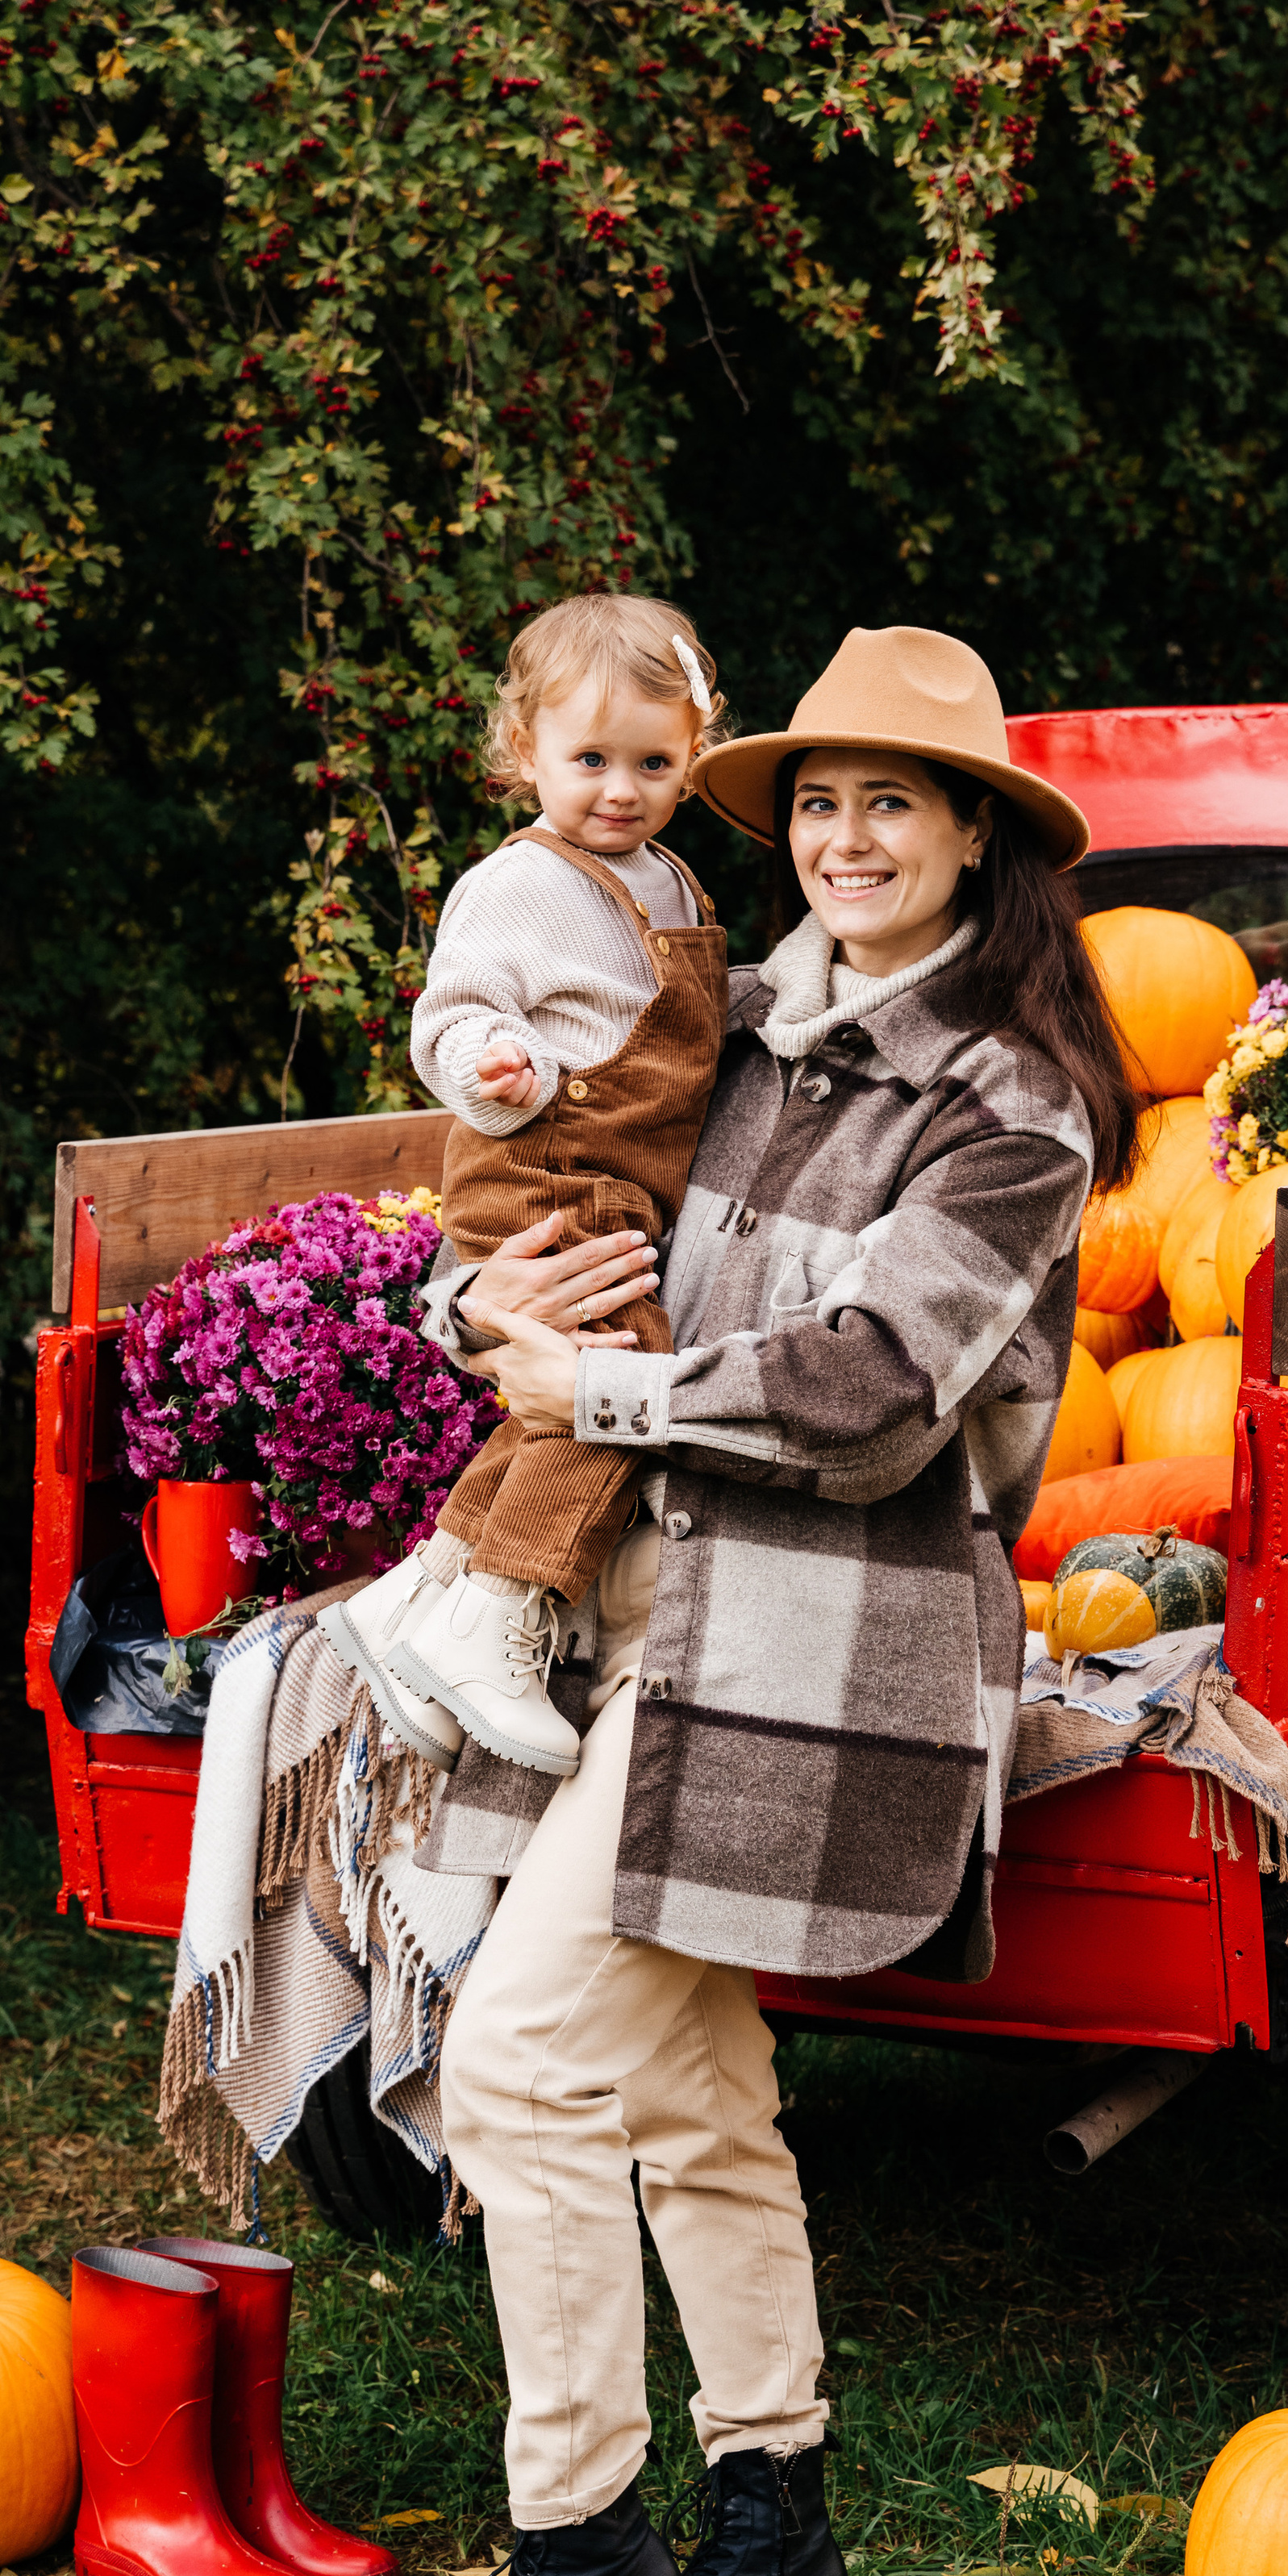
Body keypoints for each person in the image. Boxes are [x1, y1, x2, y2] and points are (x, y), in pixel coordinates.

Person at [392, 625, 1140, 2576]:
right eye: (817, 799)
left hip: (836, 1643)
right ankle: (772, 2518)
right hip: (662, 1605)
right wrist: (484, 1302)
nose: (846, 835)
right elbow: (570, 1213)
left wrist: (597, 1378)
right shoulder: (746, 1027)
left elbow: (880, 1394)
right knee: (689, 2075)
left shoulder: (1012, 1108)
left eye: (893, 800)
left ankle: (582, 2551)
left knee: (530, 2059)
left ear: (979, 836)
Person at [319, 592, 730, 1778]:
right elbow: (452, 1015)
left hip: (613, 1182)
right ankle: (501, 1611)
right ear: (526, 754)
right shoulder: (517, 886)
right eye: (589, 758)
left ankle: (425, 1595)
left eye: (652, 762)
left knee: (560, 1403)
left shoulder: (671, 884)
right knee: (610, 1384)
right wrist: (492, 1065)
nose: (620, 787)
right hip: (545, 1166)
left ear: (691, 757)